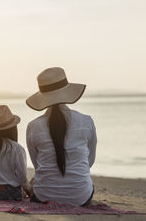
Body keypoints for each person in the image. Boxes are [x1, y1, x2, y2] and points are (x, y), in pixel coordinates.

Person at [26, 67, 97, 206]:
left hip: (43, 195)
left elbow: (37, 164)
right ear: (67, 91)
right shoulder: (86, 121)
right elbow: (89, 161)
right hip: (80, 196)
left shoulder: (33, 126)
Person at [0, 105, 32, 201]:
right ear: (12, 128)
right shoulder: (17, 148)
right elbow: (22, 179)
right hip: (8, 192)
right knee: (32, 184)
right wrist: (29, 190)